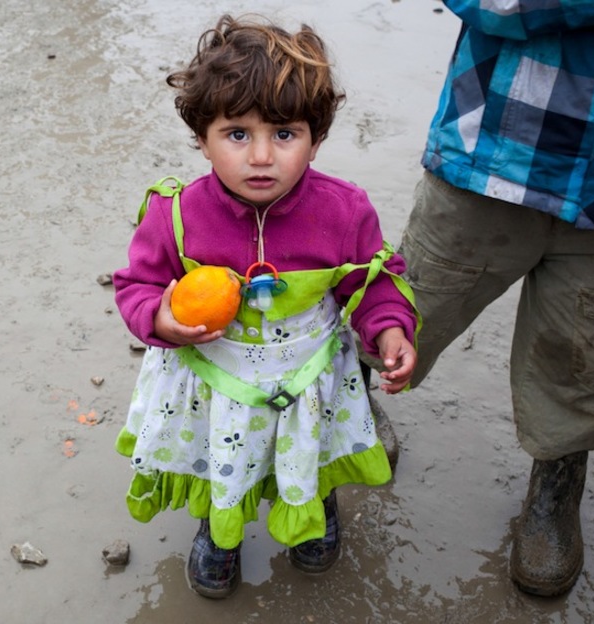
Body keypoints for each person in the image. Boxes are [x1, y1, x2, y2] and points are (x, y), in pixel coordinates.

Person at [112, 15, 419, 599]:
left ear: (316, 137)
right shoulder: (174, 216)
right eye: (236, 134)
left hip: (309, 378)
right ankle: (219, 530)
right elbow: (135, 286)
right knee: (221, 461)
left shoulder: (344, 210)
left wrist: (387, 328)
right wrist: (161, 319)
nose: (260, 156)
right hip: (214, 381)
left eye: (284, 134)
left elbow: (373, 281)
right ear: (201, 137)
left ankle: (316, 507)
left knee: (311, 445)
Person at [400, 0, 594, 597]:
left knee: (592, 353)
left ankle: (557, 482)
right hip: (494, 151)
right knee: (415, 309)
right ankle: (345, 420)